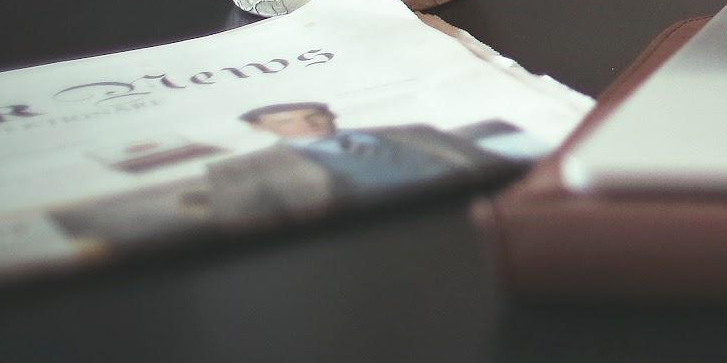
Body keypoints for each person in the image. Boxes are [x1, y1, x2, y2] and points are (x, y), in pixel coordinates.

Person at [202, 102, 502, 227]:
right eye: (286, 121)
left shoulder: (414, 131)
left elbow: (494, 165)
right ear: (261, 127)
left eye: (313, 115)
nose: (307, 126)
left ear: (331, 114)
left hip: (481, 211)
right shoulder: (238, 171)